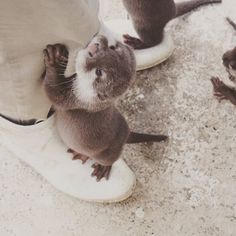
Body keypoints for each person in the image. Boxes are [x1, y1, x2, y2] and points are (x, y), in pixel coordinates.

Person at [0, 0, 136, 202]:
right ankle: (22, 120)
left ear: (98, 95)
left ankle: (105, 163)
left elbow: (58, 96)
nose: (95, 49)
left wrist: (54, 68)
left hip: (102, 144)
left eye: (98, 72)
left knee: (106, 153)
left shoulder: (89, 99)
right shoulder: (94, 95)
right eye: (113, 48)